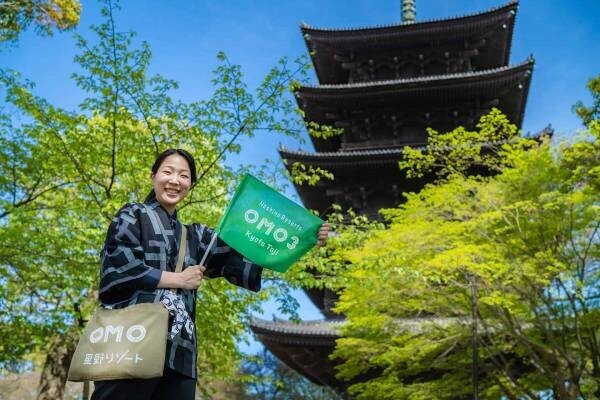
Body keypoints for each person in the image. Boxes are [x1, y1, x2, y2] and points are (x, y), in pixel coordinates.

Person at [91, 148, 330, 400]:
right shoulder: (132, 215)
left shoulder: (196, 236)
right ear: (153, 176)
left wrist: (304, 238)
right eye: (168, 172)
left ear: (191, 185)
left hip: (179, 351)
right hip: (130, 339)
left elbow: (245, 253)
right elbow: (118, 267)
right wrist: (178, 279)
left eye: (183, 176)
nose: (175, 180)